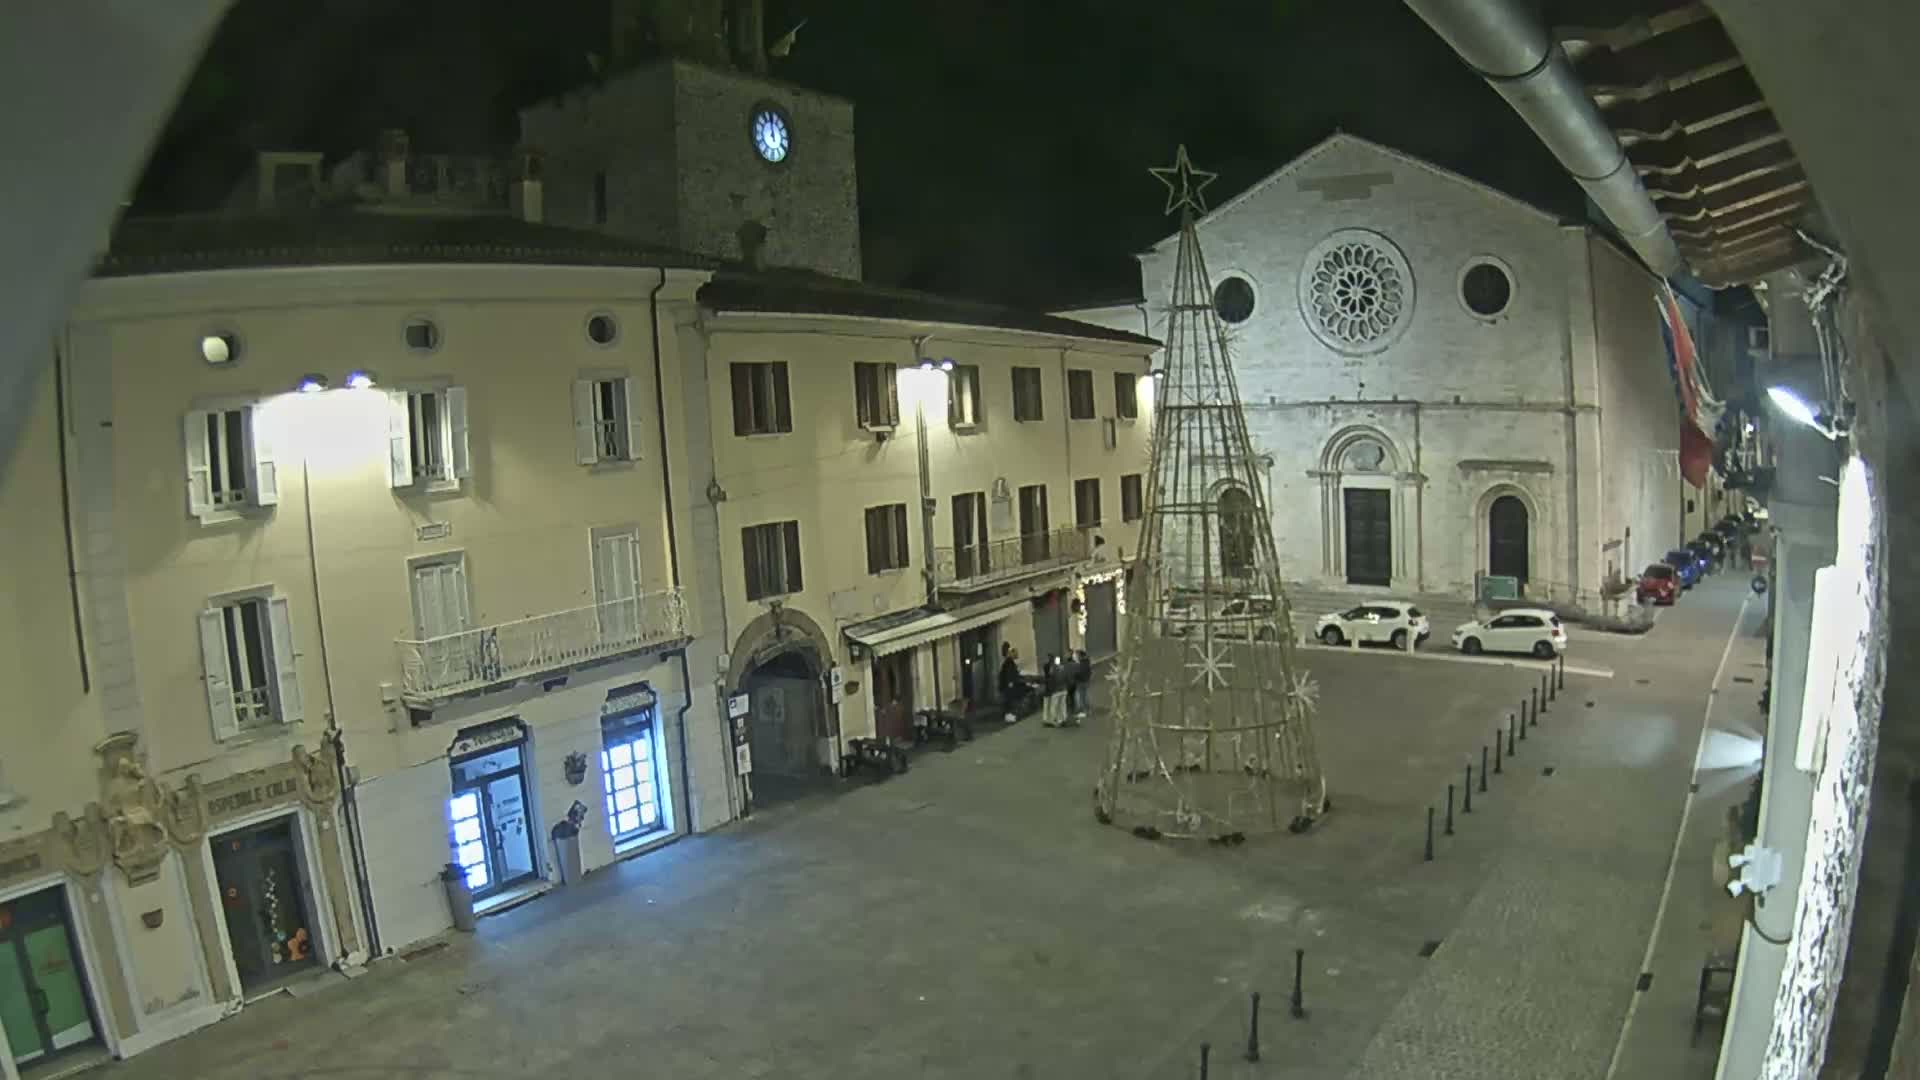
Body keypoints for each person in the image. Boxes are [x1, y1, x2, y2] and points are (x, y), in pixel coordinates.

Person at [998, 646, 1024, 723]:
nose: (1017, 655)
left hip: (1007, 686)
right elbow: (1009, 675)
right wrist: (1011, 684)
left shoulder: (1008, 662)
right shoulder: (1009, 662)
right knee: (1009, 701)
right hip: (1008, 687)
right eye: (1016, 653)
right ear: (1011, 653)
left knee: (1008, 702)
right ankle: (1009, 716)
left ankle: (1009, 716)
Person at [1070, 649, 1092, 722]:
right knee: (1084, 696)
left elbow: (1079, 673)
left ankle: (1084, 711)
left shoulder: (1082, 664)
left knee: (1082, 696)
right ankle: (1086, 710)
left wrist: (1075, 675)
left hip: (1081, 682)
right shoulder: (1086, 662)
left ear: (1080, 656)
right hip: (1085, 681)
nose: (1075, 656)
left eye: (1076, 655)